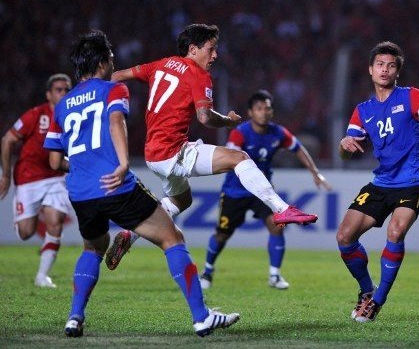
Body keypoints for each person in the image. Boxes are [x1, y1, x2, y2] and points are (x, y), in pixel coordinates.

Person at [43, 30, 239, 338]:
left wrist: (83, 169)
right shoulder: (114, 90)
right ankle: (202, 317)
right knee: (172, 238)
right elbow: (116, 122)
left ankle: (74, 316)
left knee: (93, 247)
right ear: (103, 61)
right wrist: (122, 163)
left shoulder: (62, 105)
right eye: (110, 58)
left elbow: (55, 161)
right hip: (116, 185)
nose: (113, 62)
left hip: (80, 191)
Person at [105, 23, 317, 270]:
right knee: (239, 158)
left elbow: (116, 76)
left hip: (152, 155)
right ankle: (281, 209)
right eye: (211, 49)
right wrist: (226, 120)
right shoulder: (198, 75)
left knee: (181, 201)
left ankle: (131, 235)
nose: (215, 55)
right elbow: (204, 117)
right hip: (173, 153)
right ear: (193, 49)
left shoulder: (161, 64)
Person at [336, 41, 419, 323]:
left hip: (413, 180)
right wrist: (344, 144)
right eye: (380, 64)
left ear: (397, 71)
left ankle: (377, 301)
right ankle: (367, 291)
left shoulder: (411, 96)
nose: (384, 70)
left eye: (390, 65)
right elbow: (346, 154)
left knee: (395, 231)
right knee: (344, 237)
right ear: (370, 70)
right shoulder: (362, 110)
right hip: (381, 182)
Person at [199, 89, 331, 290]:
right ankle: (207, 271)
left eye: (267, 108)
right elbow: (229, 157)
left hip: (262, 194)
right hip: (235, 192)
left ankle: (275, 275)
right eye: (259, 109)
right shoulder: (240, 133)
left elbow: (298, 148)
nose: (264, 112)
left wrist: (315, 173)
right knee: (222, 234)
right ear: (251, 112)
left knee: (276, 226)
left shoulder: (278, 133)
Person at [0, 73, 72, 288]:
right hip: (29, 178)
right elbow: (7, 140)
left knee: (55, 222)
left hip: (55, 178)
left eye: (67, 89)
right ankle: (23, 217)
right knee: (25, 232)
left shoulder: (72, 115)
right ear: (48, 94)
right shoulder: (36, 114)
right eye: (59, 89)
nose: (64, 93)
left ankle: (42, 276)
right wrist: (5, 174)